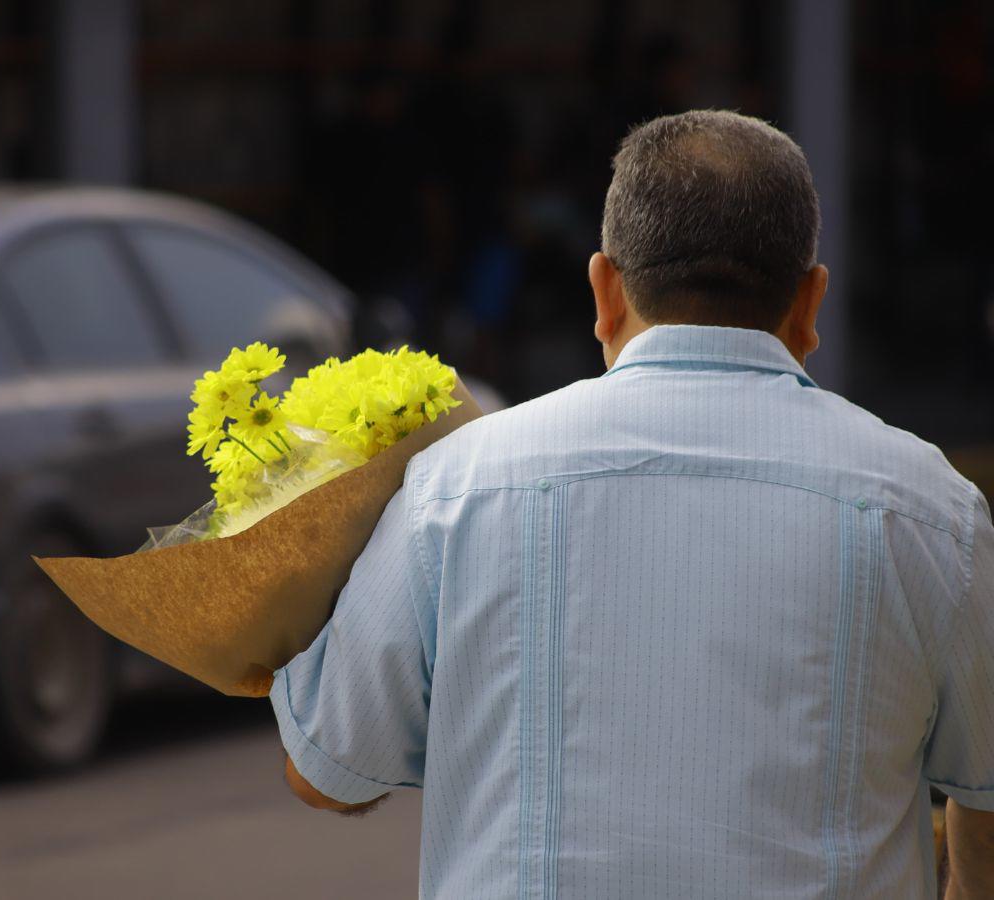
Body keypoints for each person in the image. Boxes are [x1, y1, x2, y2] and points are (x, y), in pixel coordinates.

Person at [269, 110, 994, 898]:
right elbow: (985, 784)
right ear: (810, 303)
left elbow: (327, 771)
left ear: (605, 290)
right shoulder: (931, 512)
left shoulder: (457, 488)